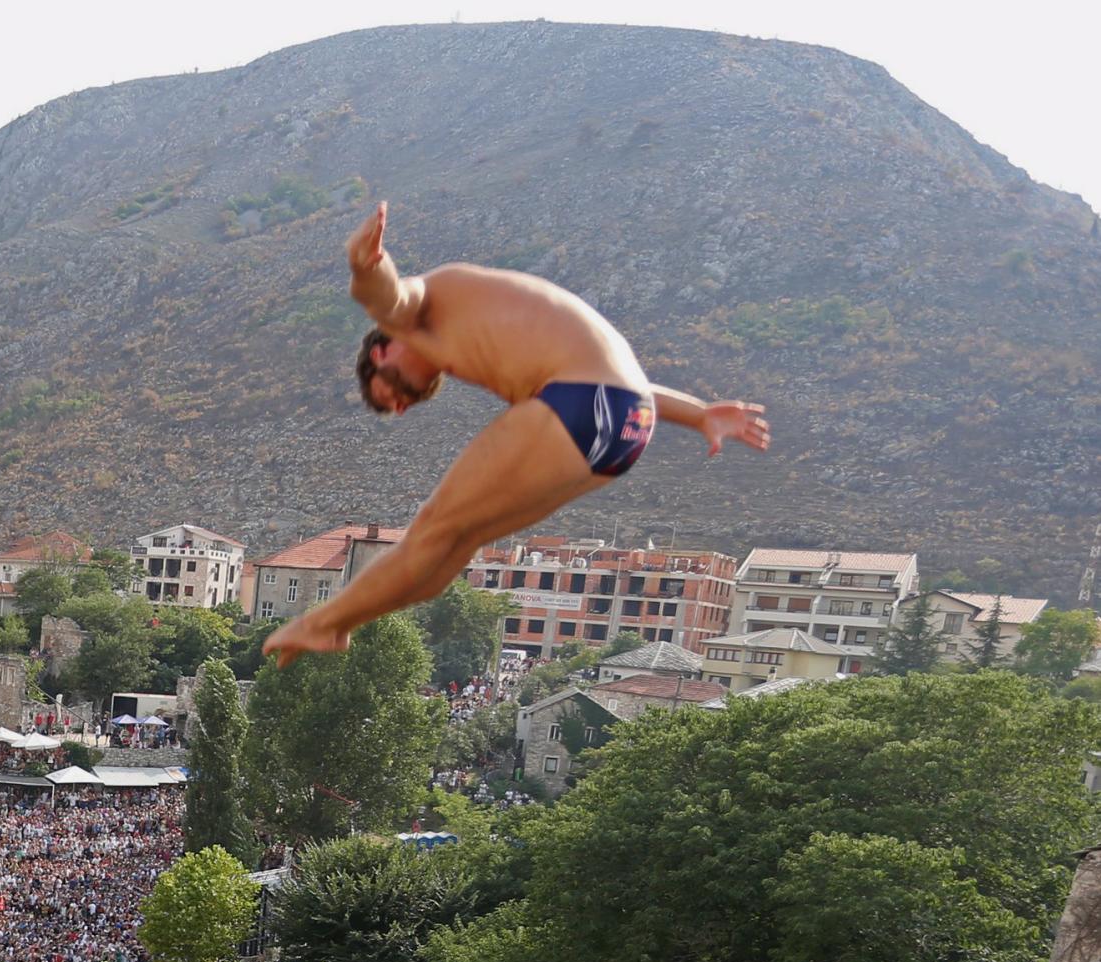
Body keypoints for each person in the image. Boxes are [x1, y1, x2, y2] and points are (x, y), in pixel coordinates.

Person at [263, 203, 769, 666]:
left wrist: (366, 266)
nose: (398, 407)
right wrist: (700, 414)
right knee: (456, 545)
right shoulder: (483, 335)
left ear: (381, 354)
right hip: (627, 426)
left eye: (387, 395)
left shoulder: (421, 311)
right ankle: (337, 624)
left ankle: (325, 623)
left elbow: (389, 296)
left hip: (585, 404)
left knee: (434, 529)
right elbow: (618, 384)